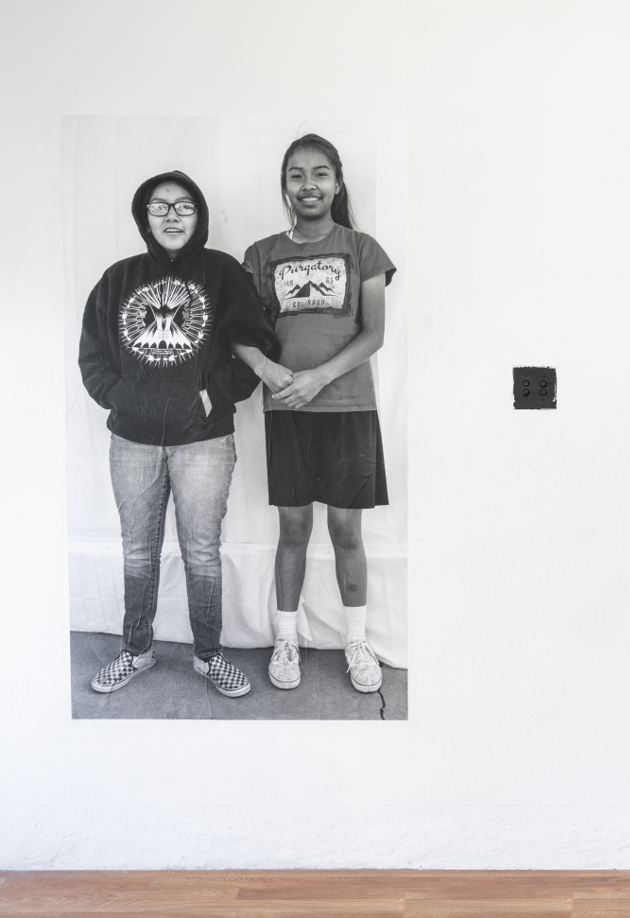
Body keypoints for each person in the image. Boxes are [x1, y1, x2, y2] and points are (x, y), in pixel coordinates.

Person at [79, 171, 278, 697]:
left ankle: (209, 657)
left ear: (200, 215)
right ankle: (136, 651)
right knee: (138, 552)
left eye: (184, 205)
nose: (171, 215)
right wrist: (126, 400)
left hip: (204, 441)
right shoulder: (118, 278)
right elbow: (93, 357)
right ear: (144, 216)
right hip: (132, 442)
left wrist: (214, 396)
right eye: (160, 206)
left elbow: (258, 344)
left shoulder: (224, 273)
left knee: (202, 553)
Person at [233, 134, 395, 694]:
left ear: (337, 183)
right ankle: (285, 637)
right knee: (294, 527)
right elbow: (240, 334)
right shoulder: (260, 255)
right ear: (285, 185)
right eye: (298, 175)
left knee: (347, 529)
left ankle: (356, 639)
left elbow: (374, 332)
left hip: (349, 407)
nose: (309, 185)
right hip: (286, 411)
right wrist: (272, 374)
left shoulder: (361, 248)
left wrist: (319, 377)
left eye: (320, 174)